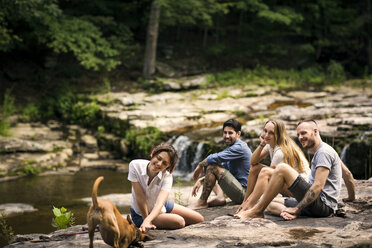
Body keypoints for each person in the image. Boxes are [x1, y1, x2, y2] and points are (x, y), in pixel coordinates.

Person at [237, 120, 356, 220]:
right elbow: (347, 174)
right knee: (268, 202)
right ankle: (286, 213)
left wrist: (297, 208)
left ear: (315, 132)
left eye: (303, 133)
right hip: (315, 204)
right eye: (298, 134)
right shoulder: (326, 150)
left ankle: (256, 211)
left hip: (322, 206)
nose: (300, 137)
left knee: (281, 168)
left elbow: (318, 186)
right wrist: (351, 198)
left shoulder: (324, 152)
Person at [235, 119, 310, 217]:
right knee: (255, 168)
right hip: (290, 184)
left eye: (271, 133)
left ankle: (249, 207)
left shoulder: (280, 151)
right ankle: (245, 202)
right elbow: (252, 162)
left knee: (265, 173)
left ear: (278, 135)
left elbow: (270, 181)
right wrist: (262, 144)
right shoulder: (271, 143)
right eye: (265, 131)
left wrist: (252, 200)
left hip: (301, 189)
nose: (266, 135)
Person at [128, 143, 204, 232]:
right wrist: (146, 220)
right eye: (158, 158)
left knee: (199, 219)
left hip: (159, 205)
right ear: (153, 154)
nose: (159, 164)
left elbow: (160, 203)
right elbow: (140, 197)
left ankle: (163, 217)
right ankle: (161, 218)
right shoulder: (135, 165)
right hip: (140, 213)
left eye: (164, 163)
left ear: (168, 166)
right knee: (179, 222)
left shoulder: (167, 176)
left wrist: (149, 220)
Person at [189, 119, 252, 209]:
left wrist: (200, 165)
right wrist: (201, 179)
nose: (226, 136)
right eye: (225, 132)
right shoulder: (233, 147)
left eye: (230, 133)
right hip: (238, 188)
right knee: (215, 167)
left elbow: (214, 158)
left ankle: (202, 202)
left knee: (212, 166)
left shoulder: (239, 147)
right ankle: (220, 197)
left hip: (244, 194)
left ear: (238, 134)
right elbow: (223, 167)